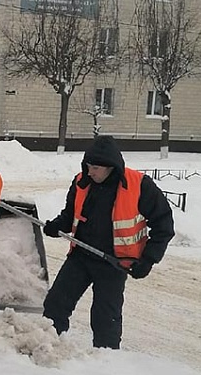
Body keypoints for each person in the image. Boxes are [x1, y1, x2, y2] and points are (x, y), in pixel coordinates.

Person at [41, 135, 174, 349]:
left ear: (110, 167)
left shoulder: (139, 185)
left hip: (114, 263)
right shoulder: (82, 182)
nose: (90, 172)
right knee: (55, 306)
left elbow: (164, 225)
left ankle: (106, 362)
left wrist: (148, 259)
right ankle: (48, 349)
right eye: (88, 166)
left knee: (105, 319)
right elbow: (70, 214)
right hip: (81, 256)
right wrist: (56, 226)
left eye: (95, 168)